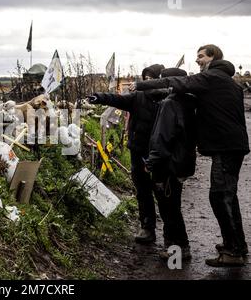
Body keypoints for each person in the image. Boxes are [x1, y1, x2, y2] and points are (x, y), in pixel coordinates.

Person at [135, 45, 250, 266]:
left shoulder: (211, 78)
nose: (197, 60)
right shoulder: (228, 83)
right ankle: (236, 244)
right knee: (228, 196)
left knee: (220, 196)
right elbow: (178, 93)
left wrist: (140, 85)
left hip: (225, 148)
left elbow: (174, 84)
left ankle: (233, 252)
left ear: (212, 58)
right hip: (233, 146)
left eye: (200, 56)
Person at [88, 64, 166, 244]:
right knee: (143, 191)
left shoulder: (168, 100)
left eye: (152, 78)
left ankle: (171, 234)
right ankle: (147, 227)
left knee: (163, 192)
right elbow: (117, 99)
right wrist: (99, 97)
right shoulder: (137, 97)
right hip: (139, 151)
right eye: (145, 78)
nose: (148, 82)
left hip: (160, 154)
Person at [145, 68, 196, 260]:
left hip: (167, 165)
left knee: (169, 207)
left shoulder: (169, 104)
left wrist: (151, 162)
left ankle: (177, 249)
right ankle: (179, 247)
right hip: (182, 163)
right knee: (173, 205)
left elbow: (162, 137)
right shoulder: (190, 101)